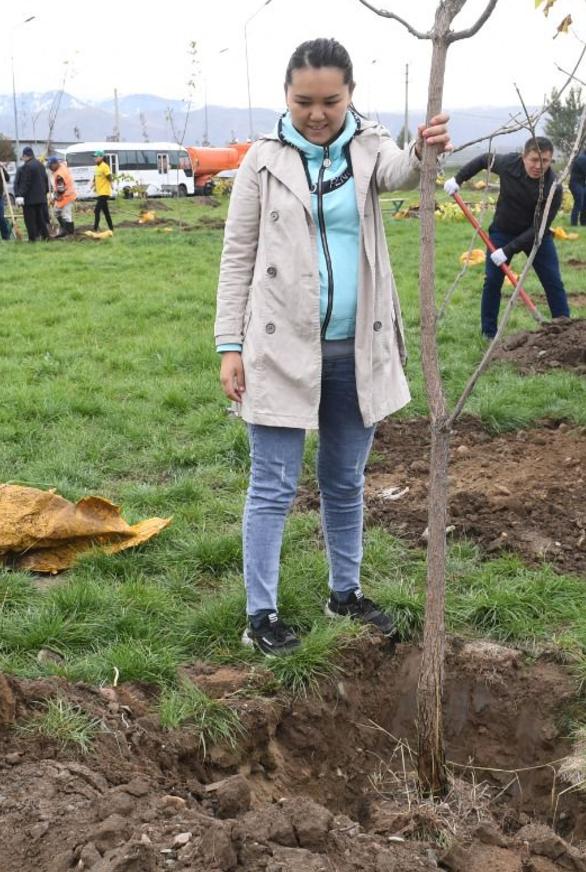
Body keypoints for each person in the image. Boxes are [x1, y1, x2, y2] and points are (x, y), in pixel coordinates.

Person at [215, 37, 451, 656]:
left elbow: (403, 174)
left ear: (349, 95)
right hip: (278, 347)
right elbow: (236, 257)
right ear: (286, 98)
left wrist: (426, 146)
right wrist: (228, 344)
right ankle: (259, 615)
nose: (317, 113)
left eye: (330, 100)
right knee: (272, 483)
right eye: (303, 102)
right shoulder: (261, 162)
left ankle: (344, 592)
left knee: (344, 480)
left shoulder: (368, 147)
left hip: (357, 346)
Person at [446, 137, 571, 339]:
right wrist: (458, 178)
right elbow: (483, 160)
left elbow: (539, 228)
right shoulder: (509, 164)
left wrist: (508, 250)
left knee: (553, 281)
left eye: (545, 161)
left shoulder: (553, 187)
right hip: (503, 231)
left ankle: (565, 330)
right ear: (523, 157)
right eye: (534, 160)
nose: (539, 166)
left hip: (536, 236)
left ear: (551, 160)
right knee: (493, 281)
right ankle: (489, 333)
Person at [13, 146, 51, 242]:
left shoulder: (27, 166)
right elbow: (46, 181)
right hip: (41, 198)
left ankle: (32, 238)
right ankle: (45, 236)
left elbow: (26, 182)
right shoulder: (41, 165)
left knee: (30, 220)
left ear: (25, 156)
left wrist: (20, 195)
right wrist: (45, 192)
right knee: (40, 219)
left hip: (30, 200)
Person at [48, 154, 77, 237]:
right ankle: (64, 229)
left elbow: (61, 190)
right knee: (56, 211)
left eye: (50, 166)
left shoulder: (59, 175)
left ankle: (70, 233)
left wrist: (54, 199)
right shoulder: (62, 166)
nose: (50, 168)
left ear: (55, 164)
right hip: (65, 195)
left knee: (66, 215)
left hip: (67, 196)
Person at [92, 149, 115, 232]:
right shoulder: (96, 167)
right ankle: (111, 228)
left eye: (96, 157)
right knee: (106, 212)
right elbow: (95, 177)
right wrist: (92, 185)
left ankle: (95, 228)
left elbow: (109, 176)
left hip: (104, 192)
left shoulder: (105, 166)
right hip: (99, 192)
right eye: (94, 157)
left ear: (101, 157)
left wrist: (112, 185)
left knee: (97, 210)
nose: (95, 158)